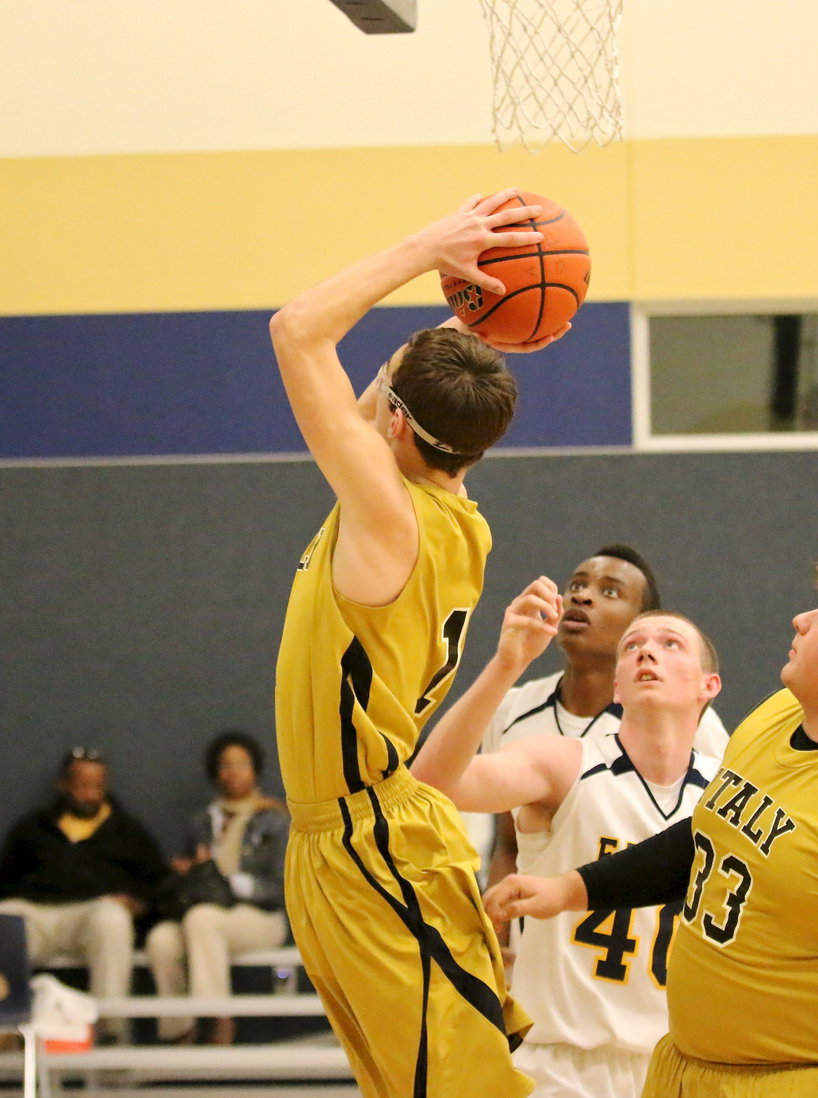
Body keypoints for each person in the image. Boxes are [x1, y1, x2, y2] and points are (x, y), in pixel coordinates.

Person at [487, 535, 818, 1098]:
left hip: (795, 1079)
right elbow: (708, 835)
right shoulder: (780, 713)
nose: (798, 621)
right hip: (684, 1066)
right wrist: (569, 889)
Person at [271, 190, 567, 1098]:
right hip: (336, 842)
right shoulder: (430, 507)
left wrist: (426, 246)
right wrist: (482, 304)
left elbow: (297, 331)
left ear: (395, 423)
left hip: (379, 841)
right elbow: (399, 390)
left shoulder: (389, 517)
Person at [413, 580, 723, 1098]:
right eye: (632, 646)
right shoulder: (565, 762)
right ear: (618, 687)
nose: (647, 649)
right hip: (563, 1066)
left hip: (680, 1067)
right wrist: (506, 664)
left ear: (708, 687)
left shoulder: (727, 794)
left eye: (670, 644)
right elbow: (429, 786)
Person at [467, 544, 728, 900]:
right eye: (576, 586)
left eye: (609, 592)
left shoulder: (695, 726)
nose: (583, 598)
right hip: (546, 940)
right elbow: (509, 843)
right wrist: (499, 929)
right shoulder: (513, 707)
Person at [0, 747, 166, 1043]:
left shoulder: (126, 830)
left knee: (112, 919)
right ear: (63, 785)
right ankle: (7, 1033)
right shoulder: (33, 827)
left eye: (97, 786)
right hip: (39, 916)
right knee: (6, 918)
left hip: (93, 915)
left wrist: (138, 904)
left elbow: (157, 883)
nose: (91, 794)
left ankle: (110, 1036)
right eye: (82, 786)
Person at [146, 730, 289, 1045]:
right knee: (161, 939)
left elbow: (280, 887)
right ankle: (178, 1028)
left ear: (255, 770)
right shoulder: (201, 821)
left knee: (202, 919)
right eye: (225, 765)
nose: (232, 772)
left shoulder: (274, 820)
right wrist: (193, 872)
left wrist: (229, 882)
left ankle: (217, 1017)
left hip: (259, 917)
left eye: (241, 764)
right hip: (208, 912)